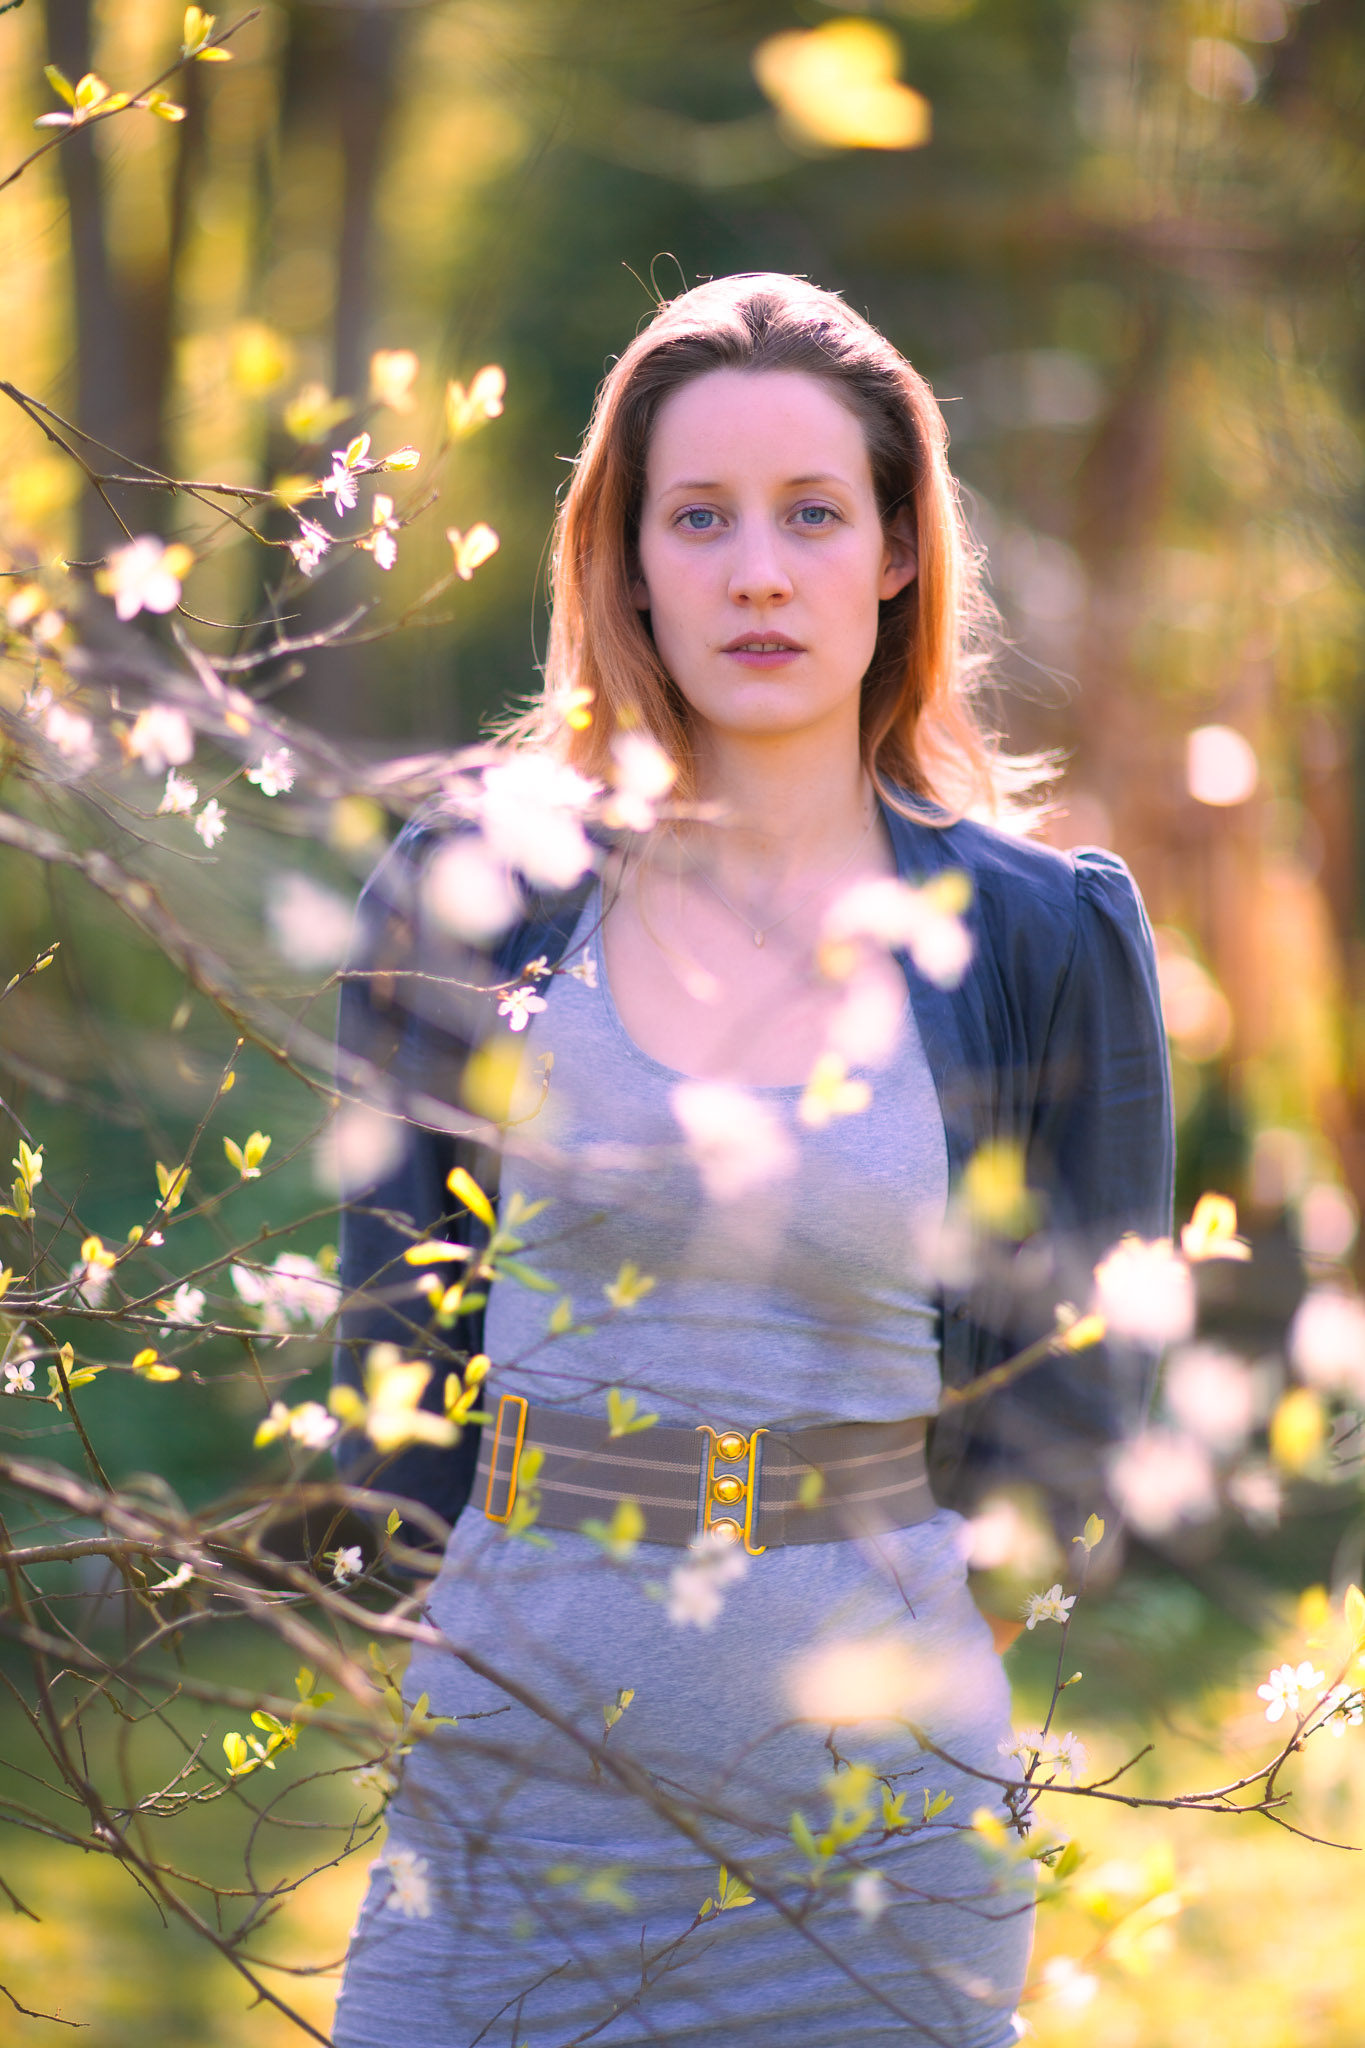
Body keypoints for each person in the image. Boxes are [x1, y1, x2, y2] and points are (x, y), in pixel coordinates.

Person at [329, 273, 1173, 2048]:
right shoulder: (468, 900)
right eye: (697, 518)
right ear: (623, 560)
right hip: (504, 1810)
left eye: (811, 515)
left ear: (893, 554)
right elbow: (392, 1370)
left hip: (873, 1855)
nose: (757, 573)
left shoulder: (1039, 937)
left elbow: (1077, 1411)